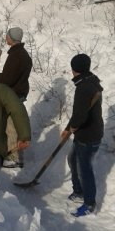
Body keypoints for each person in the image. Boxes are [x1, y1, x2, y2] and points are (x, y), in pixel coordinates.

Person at [61, 54, 103, 217]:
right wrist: (68, 128)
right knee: (72, 160)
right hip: (86, 133)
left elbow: (80, 116)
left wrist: (71, 127)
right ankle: (78, 191)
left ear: (74, 69)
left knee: (84, 169)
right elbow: (80, 112)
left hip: (88, 136)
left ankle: (89, 203)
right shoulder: (91, 81)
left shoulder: (84, 87)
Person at [0, 27, 32, 168]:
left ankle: (13, 157)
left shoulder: (16, 56)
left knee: (11, 126)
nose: (6, 37)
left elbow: (7, 79)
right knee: (13, 124)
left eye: (7, 35)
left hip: (14, 94)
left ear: (11, 38)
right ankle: (13, 154)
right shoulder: (22, 54)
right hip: (19, 92)